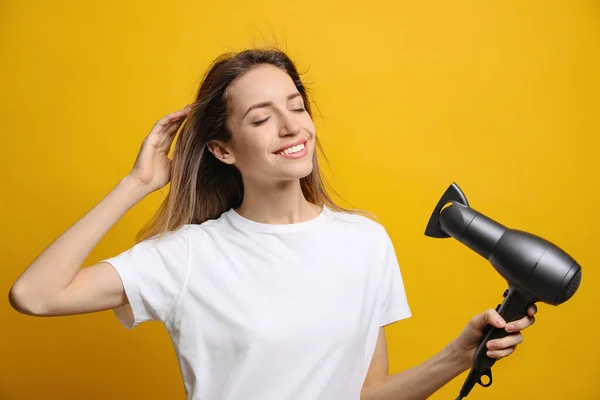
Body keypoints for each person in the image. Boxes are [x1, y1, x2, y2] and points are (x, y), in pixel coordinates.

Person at [9, 48, 536, 400]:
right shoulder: (188, 256)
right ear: (221, 149)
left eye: (297, 107)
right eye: (260, 118)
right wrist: (139, 184)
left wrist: (457, 356)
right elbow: (35, 295)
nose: (291, 127)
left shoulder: (364, 241)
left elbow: (364, 394)